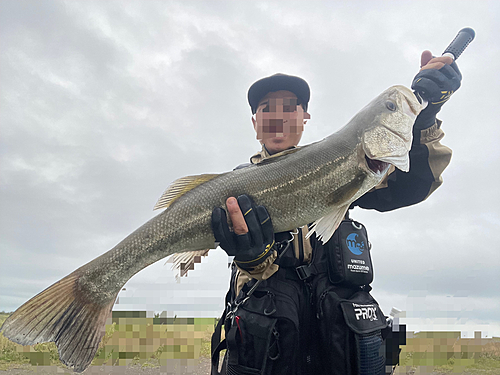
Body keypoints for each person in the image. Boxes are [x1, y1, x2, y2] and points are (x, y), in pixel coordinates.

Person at [210, 51, 461, 375]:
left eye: (289, 108)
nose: (278, 116)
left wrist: (424, 119)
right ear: (255, 122)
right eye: (266, 109)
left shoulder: (345, 165)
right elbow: (249, 269)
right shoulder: (236, 188)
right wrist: (251, 257)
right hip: (272, 347)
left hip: (338, 344)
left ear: (305, 118)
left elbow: (412, 185)